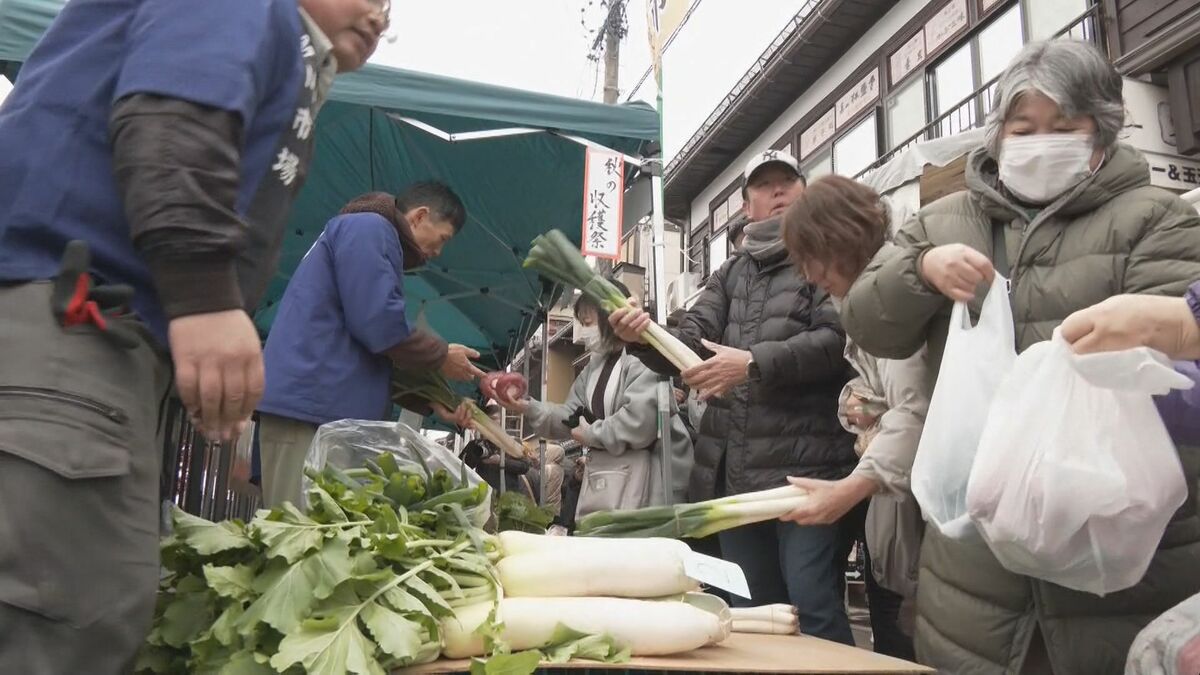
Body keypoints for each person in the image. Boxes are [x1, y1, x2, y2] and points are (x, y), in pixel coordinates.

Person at [0, 0, 386, 671]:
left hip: (90, 343)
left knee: (88, 602)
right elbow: (172, 120)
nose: (383, 13)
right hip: (68, 330)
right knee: (57, 614)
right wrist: (205, 294)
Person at [838, 40, 1200, 674]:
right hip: (974, 565)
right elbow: (868, 321)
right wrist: (920, 270)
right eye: (1023, 127)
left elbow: (1177, 368)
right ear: (998, 133)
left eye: (1064, 128)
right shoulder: (943, 219)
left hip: (1120, 558)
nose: (1041, 142)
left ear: (1101, 132)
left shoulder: (1157, 219)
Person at [610, 149, 860, 644]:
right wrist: (644, 335)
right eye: (765, 187)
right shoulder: (730, 274)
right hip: (737, 478)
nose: (779, 193)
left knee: (812, 601)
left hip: (806, 475)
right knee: (751, 612)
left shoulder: (826, 259)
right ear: (748, 207)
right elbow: (690, 341)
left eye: (787, 182)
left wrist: (751, 363)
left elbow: (838, 343)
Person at [255, 182, 483, 507]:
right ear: (420, 216)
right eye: (443, 238)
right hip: (309, 409)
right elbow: (377, 322)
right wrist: (441, 355)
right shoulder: (369, 228)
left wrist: (430, 401)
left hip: (322, 410)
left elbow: (368, 344)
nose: (437, 253)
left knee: (318, 533)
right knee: (297, 532)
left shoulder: (369, 233)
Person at [780, 175, 931, 660]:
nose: (808, 275)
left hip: (918, 515)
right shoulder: (865, 297)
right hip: (898, 511)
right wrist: (859, 402)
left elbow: (914, 411)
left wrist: (848, 491)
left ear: (838, 238)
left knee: (907, 644)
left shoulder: (890, 296)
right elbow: (891, 397)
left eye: (810, 258)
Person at [496, 279, 694, 518]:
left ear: (611, 318)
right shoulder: (594, 367)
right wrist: (527, 406)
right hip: (612, 479)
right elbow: (571, 415)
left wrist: (591, 434)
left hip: (649, 481)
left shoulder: (645, 356)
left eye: (588, 323)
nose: (584, 332)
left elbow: (639, 423)